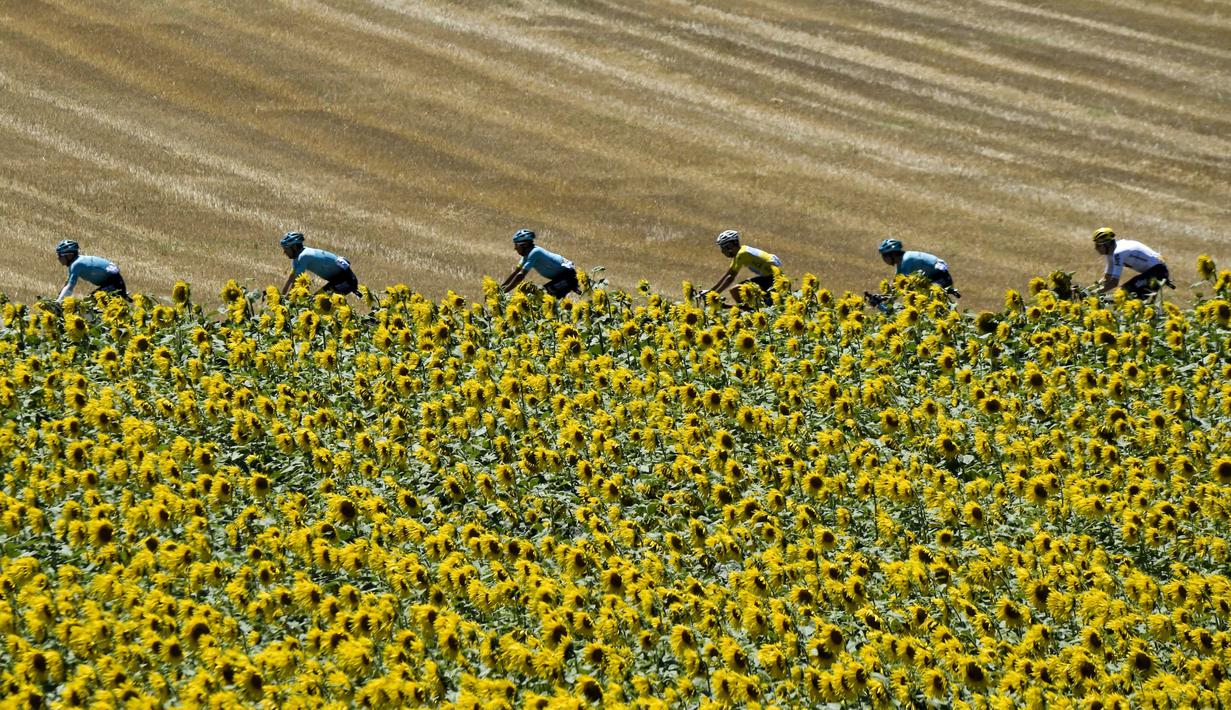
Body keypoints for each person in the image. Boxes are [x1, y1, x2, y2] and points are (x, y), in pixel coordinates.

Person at [704, 230, 782, 306]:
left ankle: (749, 312)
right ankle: (748, 310)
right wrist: (711, 291)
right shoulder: (741, 251)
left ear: (730, 246)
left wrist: (715, 294)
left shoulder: (742, 254)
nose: (722, 251)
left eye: (723, 248)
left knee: (736, 290)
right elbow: (728, 274)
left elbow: (730, 278)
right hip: (768, 277)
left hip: (772, 279)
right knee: (735, 290)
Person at [1091, 227, 1172, 298]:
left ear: (1107, 244)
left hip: (1158, 272)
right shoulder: (1110, 253)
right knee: (1122, 295)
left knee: (1123, 294)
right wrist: (1088, 290)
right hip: (1153, 271)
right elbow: (1107, 278)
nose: (1095, 248)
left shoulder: (1118, 252)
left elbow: (1114, 282)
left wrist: (1094, 294)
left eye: (1098, 245)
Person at [499, 229, 580, 297]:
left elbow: (520, 275)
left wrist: (504, 292)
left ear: (524, 245)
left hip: (569, 277)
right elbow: (516, 272)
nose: (515, 248)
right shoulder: (526, 256)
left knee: (541, 296)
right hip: (560, 278)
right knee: (537, 294)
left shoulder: (535, 252)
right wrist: (500, 289)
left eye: (516, 245)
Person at [279, 231, 360, 296]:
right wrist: (282, 296)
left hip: (346, 279)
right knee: (314, 301)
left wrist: (287, 300)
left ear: (294, 247)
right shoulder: (297, 258)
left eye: (286, 249)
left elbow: (296, 283)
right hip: (336, 279)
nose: (284, 252)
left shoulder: (304, 256)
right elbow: (291, 279)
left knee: (315, 303)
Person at [877, 238, 960, 298]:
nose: (883, 259)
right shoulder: (902, 263)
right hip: (935, 280)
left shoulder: (907, 260)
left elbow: (902, 286)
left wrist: (885, 297)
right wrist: (881, 297)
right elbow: (896, 284)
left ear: (892, 254)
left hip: (941, 279)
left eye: (884, 256)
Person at [55, 240, 130, 302]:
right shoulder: (76, 262)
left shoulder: (76, 264)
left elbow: (70, 287)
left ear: (69, 255)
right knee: (89, 302)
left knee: (88, 304)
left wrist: (59, 302)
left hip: (114, 283)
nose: (58, 258)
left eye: (60, 256)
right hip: (113, 282)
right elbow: (67, 284)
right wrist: (59, 297)